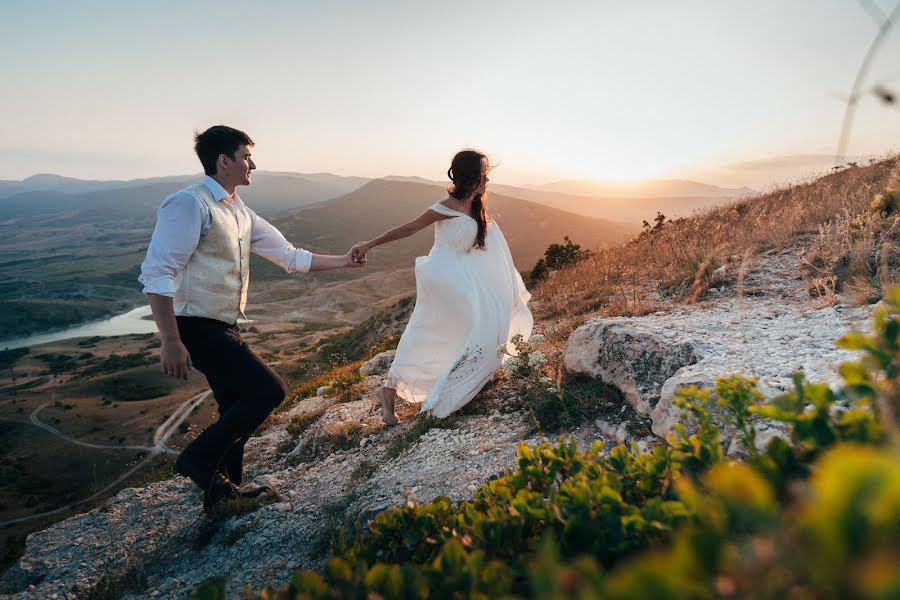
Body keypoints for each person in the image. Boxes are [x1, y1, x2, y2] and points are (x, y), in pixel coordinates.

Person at [139, 125, 365, 514]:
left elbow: (291, 257)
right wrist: (170, 341)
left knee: (236, 407)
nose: (252, 164)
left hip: (222, 324)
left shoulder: (242, 213)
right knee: (267, 391)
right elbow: (157, 273)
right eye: (246, 157)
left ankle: (223, 497)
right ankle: (197, 460)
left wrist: (344, 260)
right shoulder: (189, 204)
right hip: (194, 323)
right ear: (224, 161)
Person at [352, 149, 533, 425]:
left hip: (464, 282)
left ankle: (456, 378)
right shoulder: (446, 206)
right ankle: (389, 390)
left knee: (465, 330)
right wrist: (368, 245)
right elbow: (409, 228)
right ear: (467, 177)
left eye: (487, 175)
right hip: (442, 280)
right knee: (428, 331)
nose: (486, 181)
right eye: (481, 175)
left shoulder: (477, 207)